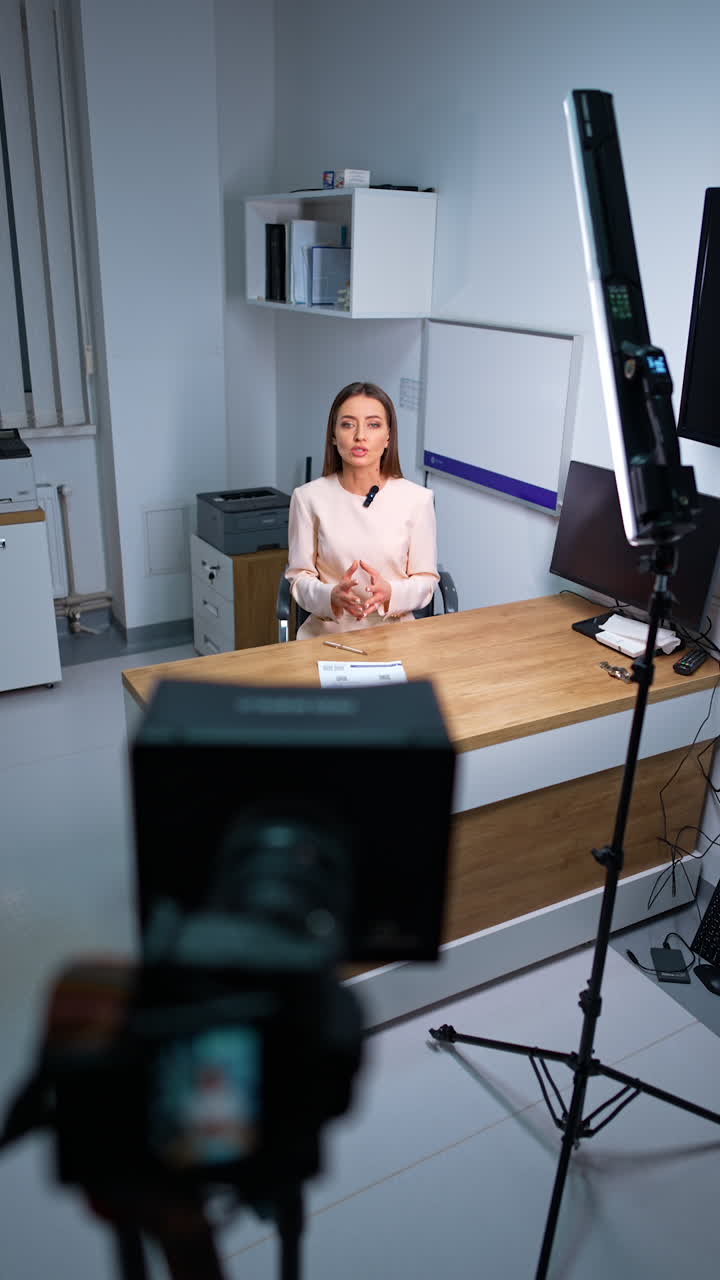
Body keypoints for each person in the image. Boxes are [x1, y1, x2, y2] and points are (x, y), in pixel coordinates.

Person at [286, 381, 439, 640]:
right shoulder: (308, 498)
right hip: (328, 635)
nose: (360, 436)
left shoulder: (417, 499)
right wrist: (330, 596)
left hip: (396, 634)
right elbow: (299, 578)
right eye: (348, 424)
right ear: (334, 435)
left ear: (388, 436)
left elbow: (426, 581)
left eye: (373, 424)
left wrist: (391, 592)